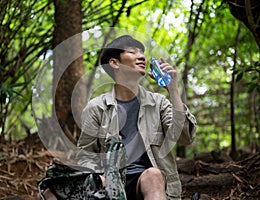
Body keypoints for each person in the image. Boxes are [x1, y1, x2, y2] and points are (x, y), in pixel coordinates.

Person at [76, 35, 197, 200]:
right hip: (110, 185)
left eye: (142, 52)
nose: (142, 56)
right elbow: (85, 155)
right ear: (114, 63)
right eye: (133, 52)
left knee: (154, 175)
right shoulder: (96, 108)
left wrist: (173, 90)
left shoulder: (158, 103)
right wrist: (97, 178)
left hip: (147, 182)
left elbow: (185, 137)